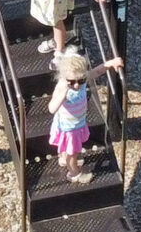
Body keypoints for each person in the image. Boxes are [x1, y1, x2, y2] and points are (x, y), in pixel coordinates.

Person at [47, 48, 121, 185]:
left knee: (68, 150)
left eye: (80, 81)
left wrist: (111, 63)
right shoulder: (62, 87)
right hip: (69, 128)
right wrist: (62, 95)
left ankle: (64, 159)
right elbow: (51, 108)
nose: (76, 85)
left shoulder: (82, 78)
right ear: (63, 76)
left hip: (77, 122)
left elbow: (98, 71)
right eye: (72, 81)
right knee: (72, 153)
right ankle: (74, 173)